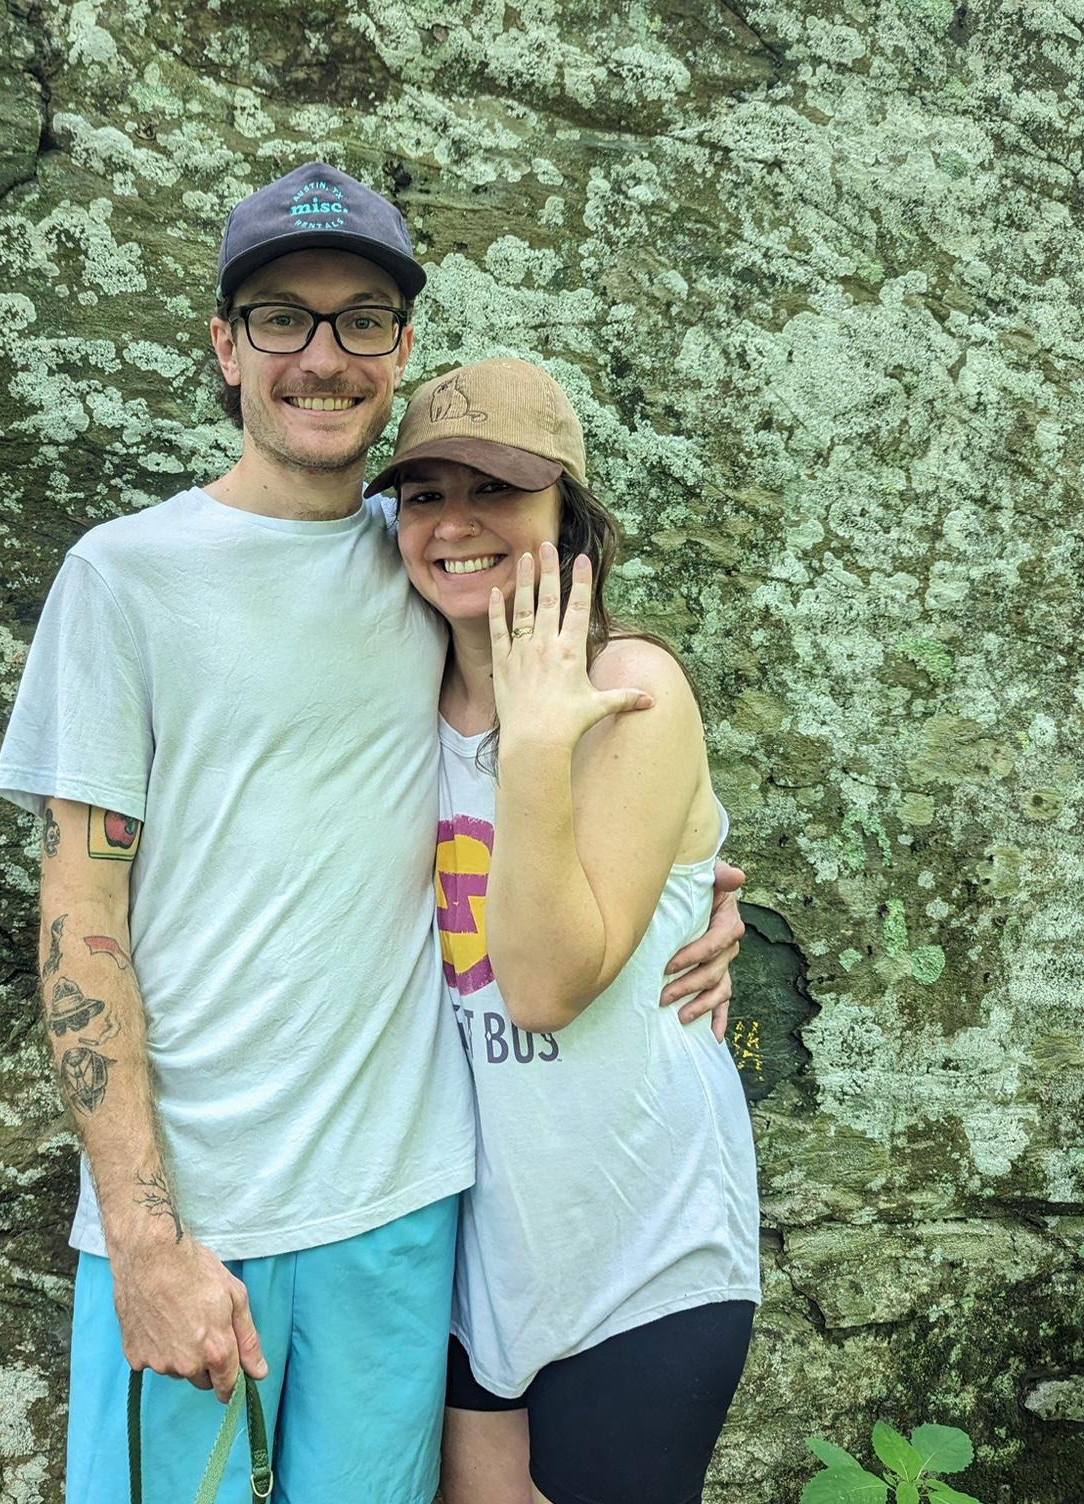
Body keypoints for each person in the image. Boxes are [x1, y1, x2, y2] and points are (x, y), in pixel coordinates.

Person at [0, 164, 746, 1503]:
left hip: (405, 1220)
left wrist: (695, 896)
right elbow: (78, 917)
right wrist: (144, 1238)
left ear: (398, 353)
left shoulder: (432, 564)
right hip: (199, 1218)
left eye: (362, 321)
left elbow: (596, 757)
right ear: (226, 346)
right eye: (282, 317)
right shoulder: (125, 577)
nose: (322, 355)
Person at [366, 356, 761, 1504]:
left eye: (496, 490)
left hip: (644, 1243)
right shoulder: (385, 701)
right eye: (426, 494)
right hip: (474, 1252)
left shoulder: (630, 686)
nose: (455, 523)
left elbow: (540, 989)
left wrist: (534, 740)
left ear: (568, 516)